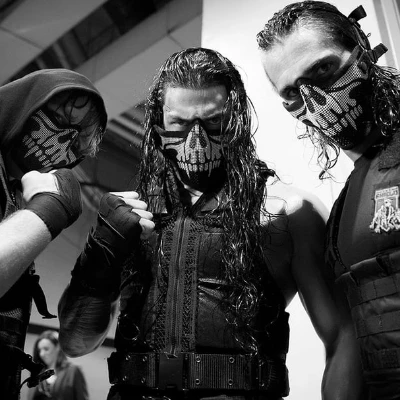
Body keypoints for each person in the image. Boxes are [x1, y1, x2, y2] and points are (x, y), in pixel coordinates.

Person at [58, 48, 362, 400]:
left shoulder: (288, 211)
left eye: (213, 122)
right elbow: (75, 344)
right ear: (159, 123)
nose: (196, 141)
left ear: (236, 119)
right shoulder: (131, 214)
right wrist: (102, 254)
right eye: (180, 123)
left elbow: (344, 337)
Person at [257, 1, 400, 398]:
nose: (316, 101)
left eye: (322, 69)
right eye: (292, 92)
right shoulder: (343, 210)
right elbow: (350, 344)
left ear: (360, 48)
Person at [0, 68, 107, 400]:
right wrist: (50, 209)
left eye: (77, 142)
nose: (63, 143)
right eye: (60, 120)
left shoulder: (12, 194)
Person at [27, 330, 89, 400]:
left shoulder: (73, 371)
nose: (42, 354)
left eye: (46, 349)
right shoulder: (38, 374)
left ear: (57, 347)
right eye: (39, 350)